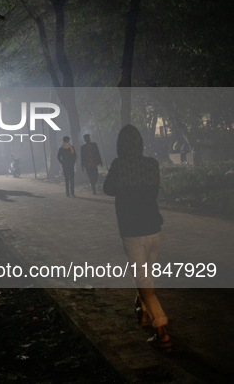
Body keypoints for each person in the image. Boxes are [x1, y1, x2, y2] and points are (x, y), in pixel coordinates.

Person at [103, 124, 170, 349]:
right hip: (154, 228)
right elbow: (155, 191)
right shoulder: (152, 164)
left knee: (144, 283)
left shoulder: (119, 165)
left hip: (131, 231)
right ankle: (142, 312)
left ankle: (161, 330)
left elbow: (107, 189)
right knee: (146, 276)